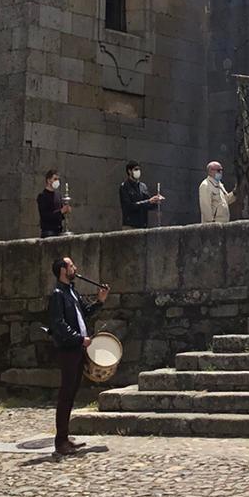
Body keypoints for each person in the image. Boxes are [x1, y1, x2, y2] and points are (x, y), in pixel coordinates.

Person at [45, 255, 110, 458]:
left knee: (72, 393)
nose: (75, 268)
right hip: (69, 349)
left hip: (78, 348)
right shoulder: (57, 294)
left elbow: (84, 313)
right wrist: (79, 339)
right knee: (66, 394)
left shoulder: (71, 291)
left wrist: (99, 301)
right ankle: (60, 441)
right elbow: (58, 325)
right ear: (64, 270)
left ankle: (65, 437)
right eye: (72, 265)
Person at [119, 161, 163, 228]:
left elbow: (148, 203)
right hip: (130, 225)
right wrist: (148, 201)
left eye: (139, 169)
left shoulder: (143, 186)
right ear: (129, 171)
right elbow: (128, 206)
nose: (138, 172)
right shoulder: (124, 186)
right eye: (136, 169)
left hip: (143, 225)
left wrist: (155, 202)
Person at [37, 170, 70, 238]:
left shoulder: (58, 195)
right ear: (49, 180)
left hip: (59, 231)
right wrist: (61, 211)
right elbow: (45, 216)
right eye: (55, 179)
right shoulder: (42, 196)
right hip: (48, 232)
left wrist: (65, 211)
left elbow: (60, 215)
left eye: (58, 179)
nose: (57, 181)